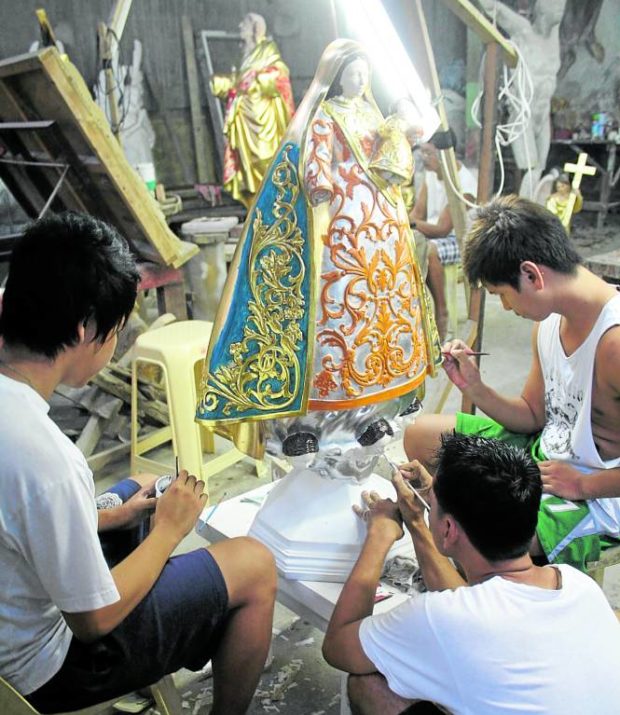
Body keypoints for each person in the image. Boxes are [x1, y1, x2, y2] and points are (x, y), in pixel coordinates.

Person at [0, 212, 277, 714]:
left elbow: (19, 517)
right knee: (254, 564)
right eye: (117, 333)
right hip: (45, 666)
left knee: (138, 488)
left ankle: (163, 613)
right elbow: (93, 618)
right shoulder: (46, 458)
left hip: (15, 606)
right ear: (85, 328)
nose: (113, 346)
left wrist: (110, 515)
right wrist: (171, 529)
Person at [198, 39, 440, 429]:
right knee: (338, 313)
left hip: (380, 225)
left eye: (364, 74)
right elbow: (317, 155)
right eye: (352, 74)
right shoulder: (326, 115)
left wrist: (405, 128)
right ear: (337, 78)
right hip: (342, 222)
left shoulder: (372, 114)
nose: (360, 80)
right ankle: (324, 414)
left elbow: (396, 145)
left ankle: (379, 397)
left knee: (380, 309)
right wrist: (319, 183)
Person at [323, 433, 620, 715]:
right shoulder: (576, 583)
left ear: (449, 529)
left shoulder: (439, 617)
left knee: (367, 682)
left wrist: (379, 535)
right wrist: (423, 515)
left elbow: (338, 647)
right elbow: (470, 601)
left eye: (435, 505)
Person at [404, 195, 620, 572]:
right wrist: (475, 387)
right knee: (420, 435)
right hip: (547, 454)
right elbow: (534, 415)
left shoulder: (614, 343)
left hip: (599, 490)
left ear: (531, 275)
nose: (505, 308)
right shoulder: (549, 322)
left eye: (501, 295)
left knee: (488, 528)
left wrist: (584, 486)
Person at [478, 0, 567, 199]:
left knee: (540, 171)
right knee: (530, 168)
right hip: (522, 116)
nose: (561, 9)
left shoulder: (554, 36)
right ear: (543, 9)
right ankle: (526, 217)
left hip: (543, 117)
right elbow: (493, 8)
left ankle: (536, 216)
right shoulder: (523, 31)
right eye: (556, 5)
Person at [210, 12, 295, 209]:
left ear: (256, 28)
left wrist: (256, 80)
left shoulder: (267, 48)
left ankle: (273, 205)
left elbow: (279, 72)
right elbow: (239, 82)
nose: (240, 26)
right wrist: (221, 83)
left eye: (245, 23)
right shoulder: (246, 53)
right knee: (246, 162)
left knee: (265, 159)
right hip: (244, 117)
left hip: (261, 116)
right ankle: (255, 208)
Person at [409, 135, 477, 340]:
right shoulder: (431, 175)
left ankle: (441, 311)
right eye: (423, 152)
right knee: (402, 243)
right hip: (429, 233)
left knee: (429, 249)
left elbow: (442, 229)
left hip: (459, 240)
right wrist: (405, 222)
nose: (424, 158)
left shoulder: (463, 183)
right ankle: (414, 311)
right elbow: (417, 212)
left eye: (429, 153)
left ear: (446, 156)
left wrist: (410, 224)